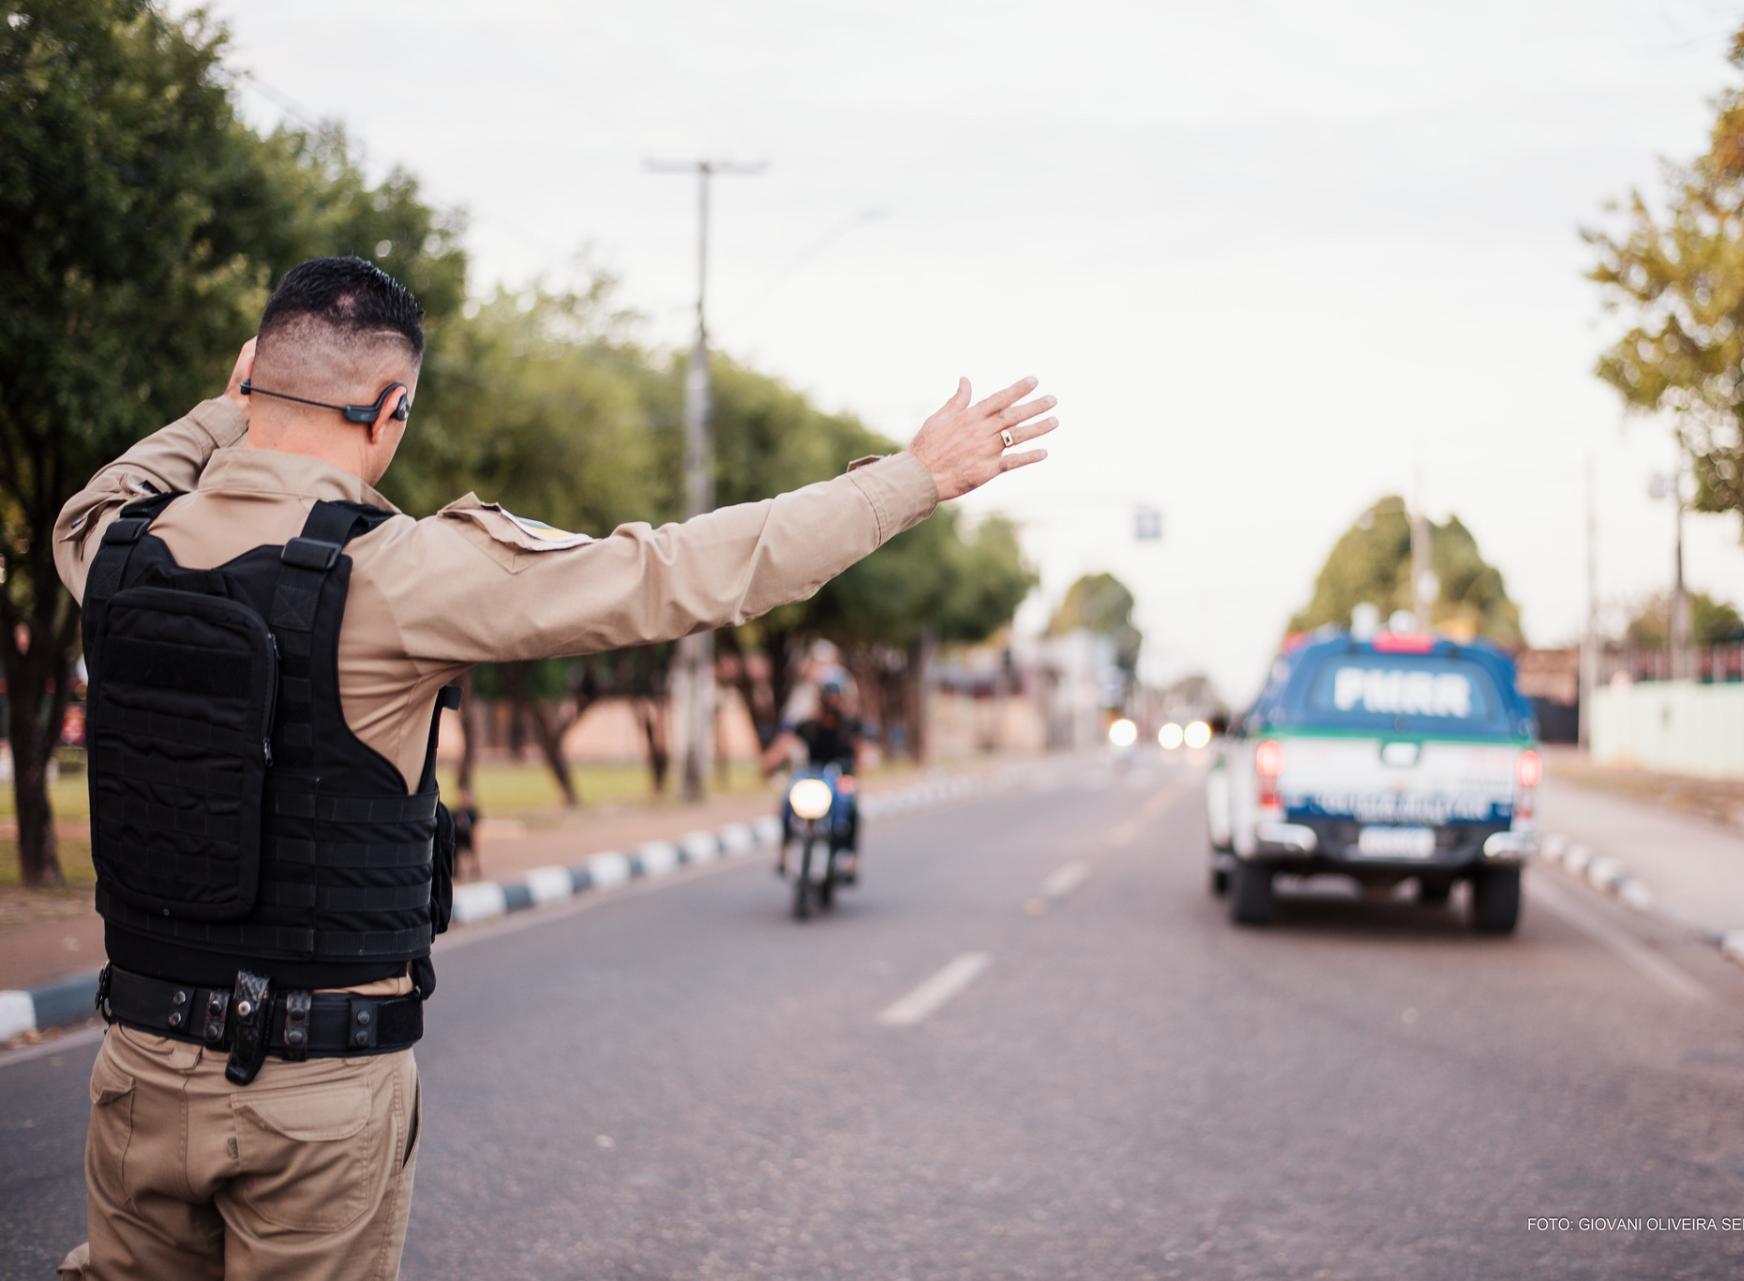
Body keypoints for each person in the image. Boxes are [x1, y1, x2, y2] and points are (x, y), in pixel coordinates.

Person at [52, 255, 1058, 1281]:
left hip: (135, 1073)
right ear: (391, 407)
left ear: (255, 374)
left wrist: (228, 415)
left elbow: (103, 493)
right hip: (313, 1100)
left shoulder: (113, 551)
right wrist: (914, 477)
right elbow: (680, 572)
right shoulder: (399, 575)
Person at [759, 674, 875, 878]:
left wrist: (861, 764)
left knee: (851, 807)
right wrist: (770, 763)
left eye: (835, 696)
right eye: (828, 696)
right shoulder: (808, 724)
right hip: (812, 776)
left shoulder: (850, 725)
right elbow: (784, 744)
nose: (832, 700)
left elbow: (863, 750)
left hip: (839, 777)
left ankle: (850, 859)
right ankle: (784, 852)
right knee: (786, 801)